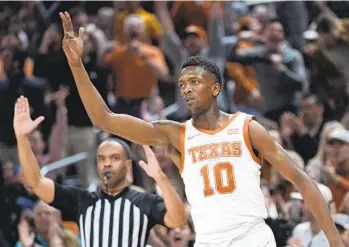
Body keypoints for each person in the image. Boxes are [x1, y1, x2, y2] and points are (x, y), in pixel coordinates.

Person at [58, 11, 344, 247]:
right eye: (182, 85)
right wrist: (75, 66)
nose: (186, 89)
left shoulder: (247, 128)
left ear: (216, 88)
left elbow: (303, 181)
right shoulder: (176, 134)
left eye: (195, 82)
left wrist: (334, 240)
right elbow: (104, 119)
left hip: (252, 239)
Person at [13, 96, 187, 247]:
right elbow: (36, 182)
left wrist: (160, 179)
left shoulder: (143, 201)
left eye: (114, 158)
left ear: (127, 166)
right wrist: (22, 139)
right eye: (102, 159)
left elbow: (178, 219)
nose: (107, 164)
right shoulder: (82, 200)